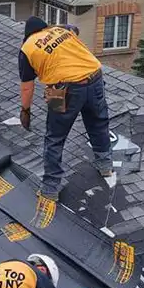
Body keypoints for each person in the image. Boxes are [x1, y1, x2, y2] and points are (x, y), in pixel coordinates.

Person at [17, 16, 113, 201]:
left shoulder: (27, 48)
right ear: (46, 28)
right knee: (98, 123)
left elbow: (27, 87)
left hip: (60, 88)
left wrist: (25, 111)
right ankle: (105, 165)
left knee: (55, 136)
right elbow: (74, 28)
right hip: (94, 77)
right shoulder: (61, 30)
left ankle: (50, 188)